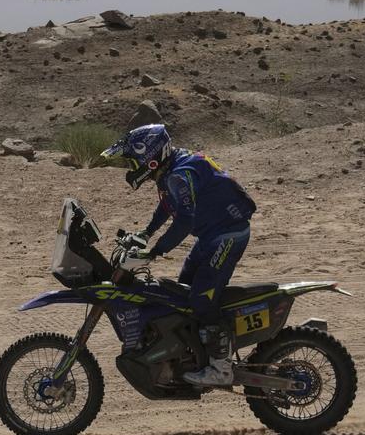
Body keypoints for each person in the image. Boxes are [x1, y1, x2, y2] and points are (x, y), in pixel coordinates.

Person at [101, 124, 256, 387]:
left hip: (227, 235)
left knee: (200, 299)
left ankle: (221, 369)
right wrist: (146, 232)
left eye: (133, 161)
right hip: (213, 234)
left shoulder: (179, 175)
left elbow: (184, 221)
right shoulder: (173, 167)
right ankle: (195, 357)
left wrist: (155, 250)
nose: (131, 167)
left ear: (150, 158)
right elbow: (168, 203)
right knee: (180, 292)